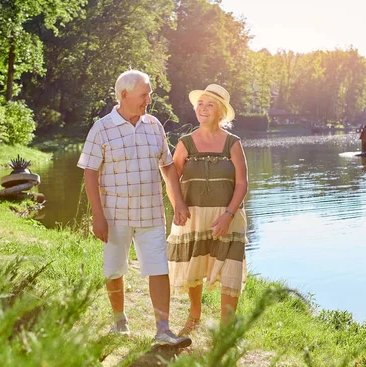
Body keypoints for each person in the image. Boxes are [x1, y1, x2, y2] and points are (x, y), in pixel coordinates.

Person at [77, 70, 192, 348]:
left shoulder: (154, 125)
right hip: (115, 214)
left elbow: (166, 166)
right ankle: (119, 321)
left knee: (158, 268)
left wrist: (178, 202)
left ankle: (163, 330)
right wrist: (98, 216)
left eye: (149, 93)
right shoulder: (102, 128)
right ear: (125, 95)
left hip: (151, 211)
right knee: (114, 269)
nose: (149, 99)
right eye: (145, 94)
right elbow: (90, 173)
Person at [167, 84, 248, 335]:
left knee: (230, 267)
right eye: (200, 104)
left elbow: (243, 183)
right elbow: (172, 177)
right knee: (195, 264)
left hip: (227, 217)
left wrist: (228, 215)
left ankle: (225, 328)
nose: (203, 108)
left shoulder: (233, 143)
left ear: (221, 111)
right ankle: (194, 316)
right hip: (194, 216)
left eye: (209, 104)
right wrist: (177, 205)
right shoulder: (185, 143)